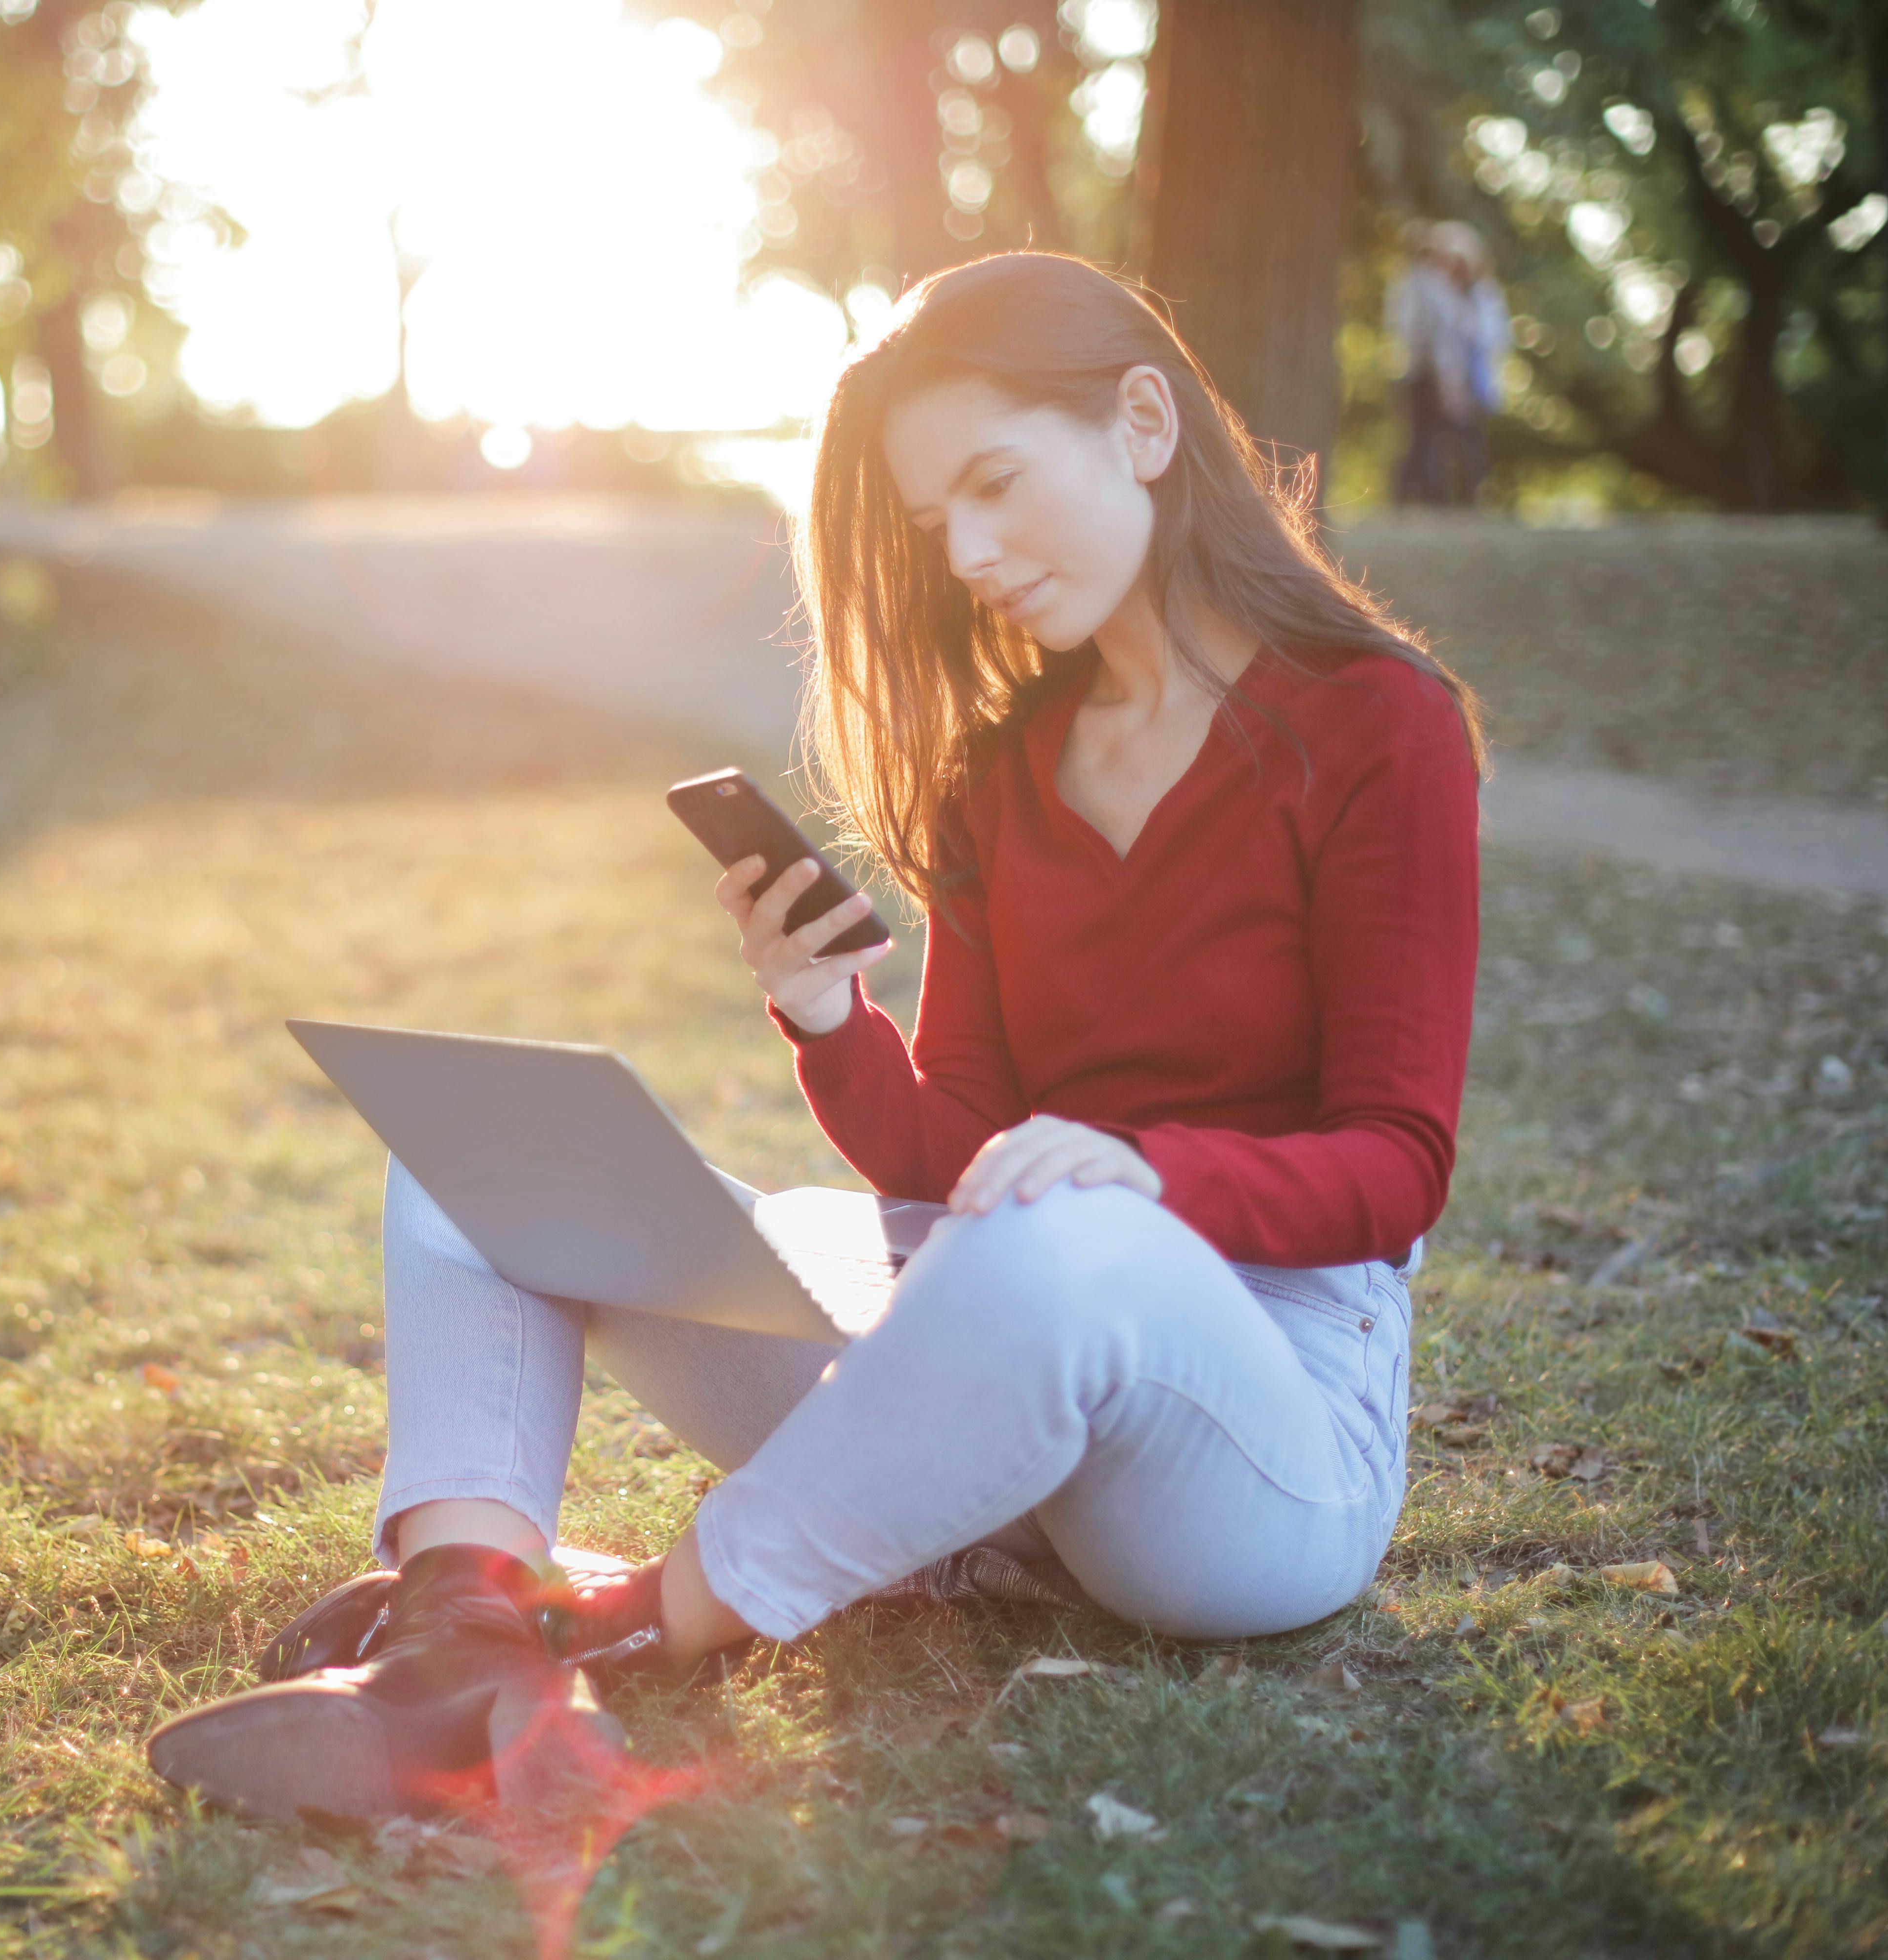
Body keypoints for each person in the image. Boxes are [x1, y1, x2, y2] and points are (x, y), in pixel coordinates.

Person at [146, 251, 1487, 1825]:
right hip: (985, 1362)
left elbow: (1393, 1167)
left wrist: (1135, 1176)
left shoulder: (1374, 725)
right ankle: (458, 1631)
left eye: (995, 483)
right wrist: (826, 1014)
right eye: (935, 520)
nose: (968, 553)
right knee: (478, 1155)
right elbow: (948, 1157)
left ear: (1142, 422)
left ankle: (624, 1627)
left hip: (1256, 1440)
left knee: (1055, 1235)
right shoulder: (1005, 773)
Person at [1392, 221, 1509, 507]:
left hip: (1470, 379)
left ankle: (1469, 496)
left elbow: (1495, 338)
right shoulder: (1423, 287)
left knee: (1467, 438)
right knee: (1426, 437)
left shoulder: (1483, 296)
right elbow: (1417, 332)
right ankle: (1422, 496)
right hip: (1430, 374)